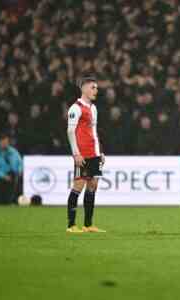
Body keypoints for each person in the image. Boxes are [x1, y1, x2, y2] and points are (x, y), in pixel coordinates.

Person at [65, 76, 106, 233]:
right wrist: (76, 154)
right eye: (93, 87)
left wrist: (99, 151)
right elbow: (70, 131)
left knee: (93, 186)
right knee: (78, 186)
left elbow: (94, 132)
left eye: (96, 88)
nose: (96, 90)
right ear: (84, 88)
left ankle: (88, 224)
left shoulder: (93, 108)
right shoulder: (75, 108)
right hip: (82, 154)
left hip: (94, 153)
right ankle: (71, 225)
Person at [0, 134, 22, 204]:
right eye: (3, 142)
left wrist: (19, 170)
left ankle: (11, 201)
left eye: (6, 142)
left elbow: (20, 162)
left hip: (11, 174)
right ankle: (2, 201)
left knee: (14, 179)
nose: (5, 144)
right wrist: (3, 176)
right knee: (2, 183)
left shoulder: (13, 151)